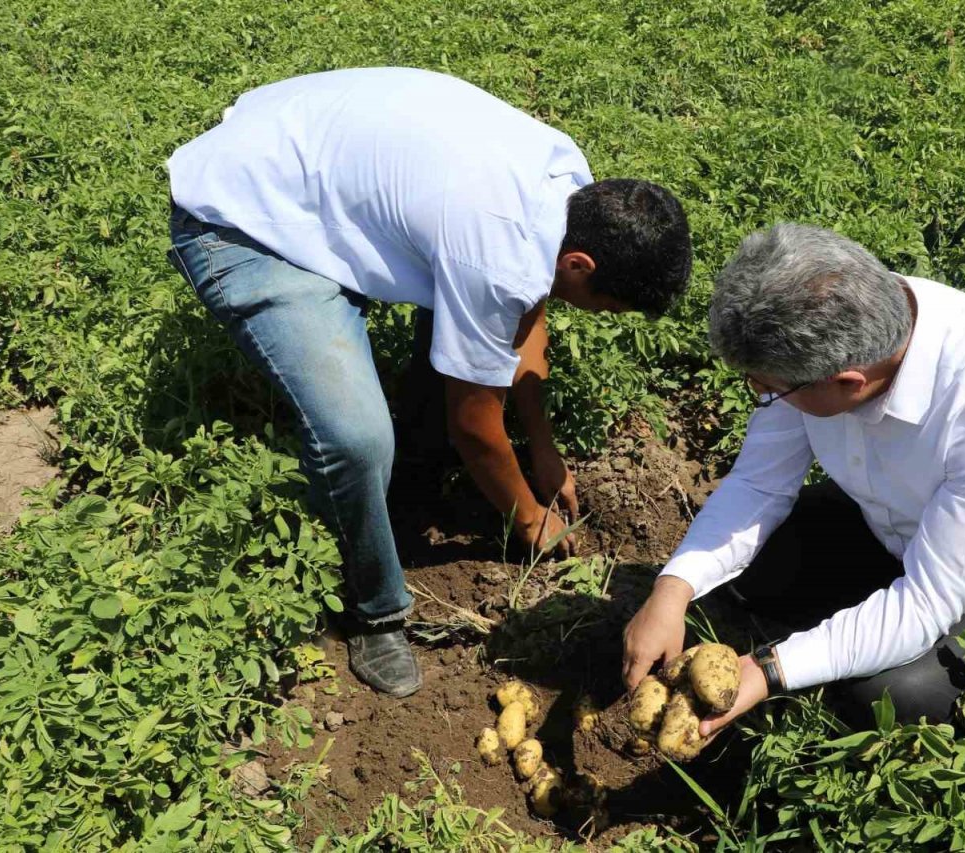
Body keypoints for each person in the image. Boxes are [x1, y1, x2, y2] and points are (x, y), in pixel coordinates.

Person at [166, 68, 692, 698]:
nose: (600, 317)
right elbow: (473, 425)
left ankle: (416, 470)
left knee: (469, 339)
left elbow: (523, 327)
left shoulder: (568, 189)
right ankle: (374, 608)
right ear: (579, 263)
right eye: (606, 306)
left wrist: (544, 453)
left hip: (306, 159)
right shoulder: (497, 250)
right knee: (357, 438)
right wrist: (529, 522)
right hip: (248, 219)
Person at [622, 223, 965, 735]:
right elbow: (758, 485)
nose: (757, 394)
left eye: (767, 388)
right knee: (748, 573)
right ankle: (852, 623)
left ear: (848, 382)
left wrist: (766, 671)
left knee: (887, 699)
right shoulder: (831, 326)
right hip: (885, 522)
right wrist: (671, 591)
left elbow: (926, 600)